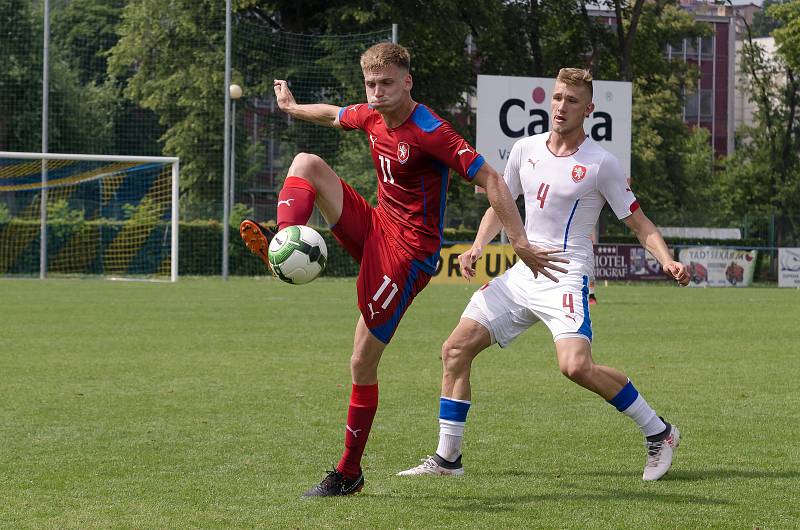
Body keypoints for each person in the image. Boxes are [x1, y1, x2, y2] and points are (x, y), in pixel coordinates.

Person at [238, 42, 569, 497]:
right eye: (371, 84)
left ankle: (349, 471)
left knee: (361, 360)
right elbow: (335, 114)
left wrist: (520, 240)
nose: (377, 92)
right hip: (377, 226)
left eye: (386, 83)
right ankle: (285, 241)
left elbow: (492, 178)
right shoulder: (373, 115)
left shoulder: (431, 130)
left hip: (408, 256)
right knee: (306, 163)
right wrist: (293, 108)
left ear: (407, 82)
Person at [397, 68, 690, 482]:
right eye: (556, 98)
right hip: (521, 275)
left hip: (566, 277)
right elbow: (500, 203)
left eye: (571, 101)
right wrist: (478, 247)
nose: (561, 107)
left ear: (588, 109)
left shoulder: (601, 163)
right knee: (455, 350)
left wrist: (666, 259)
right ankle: (448, 460)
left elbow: (641, 225)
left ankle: (659, 432)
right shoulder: (524, 149)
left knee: (575, 367)